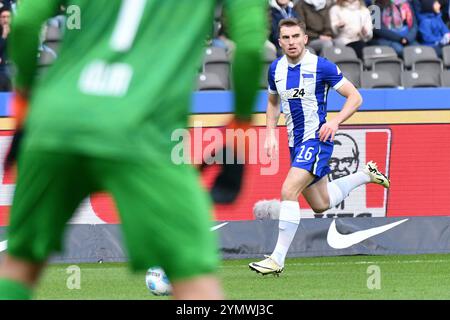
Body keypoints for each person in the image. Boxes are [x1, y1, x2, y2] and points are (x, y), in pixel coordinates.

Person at [0, 0, 267, 300]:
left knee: (19, 269)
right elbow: (249, 46)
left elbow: (23, 24)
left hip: (56, 122)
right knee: (195, 282)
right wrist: (241, 124)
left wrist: (23, 99)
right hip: (142, 131)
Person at [248, 18, 390, 276]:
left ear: (305, 38)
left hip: (317, 140)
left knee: (288, 190)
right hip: (295, 142)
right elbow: (272, 103)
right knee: (321, 204)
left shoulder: (321, 66)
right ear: (279, 42)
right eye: (286, 38)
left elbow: (355, 97)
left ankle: (276, 259)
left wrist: (335, 121)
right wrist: (270, 133)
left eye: (295, 36)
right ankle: (366, 175)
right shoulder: (276, 69)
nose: (291, 42)